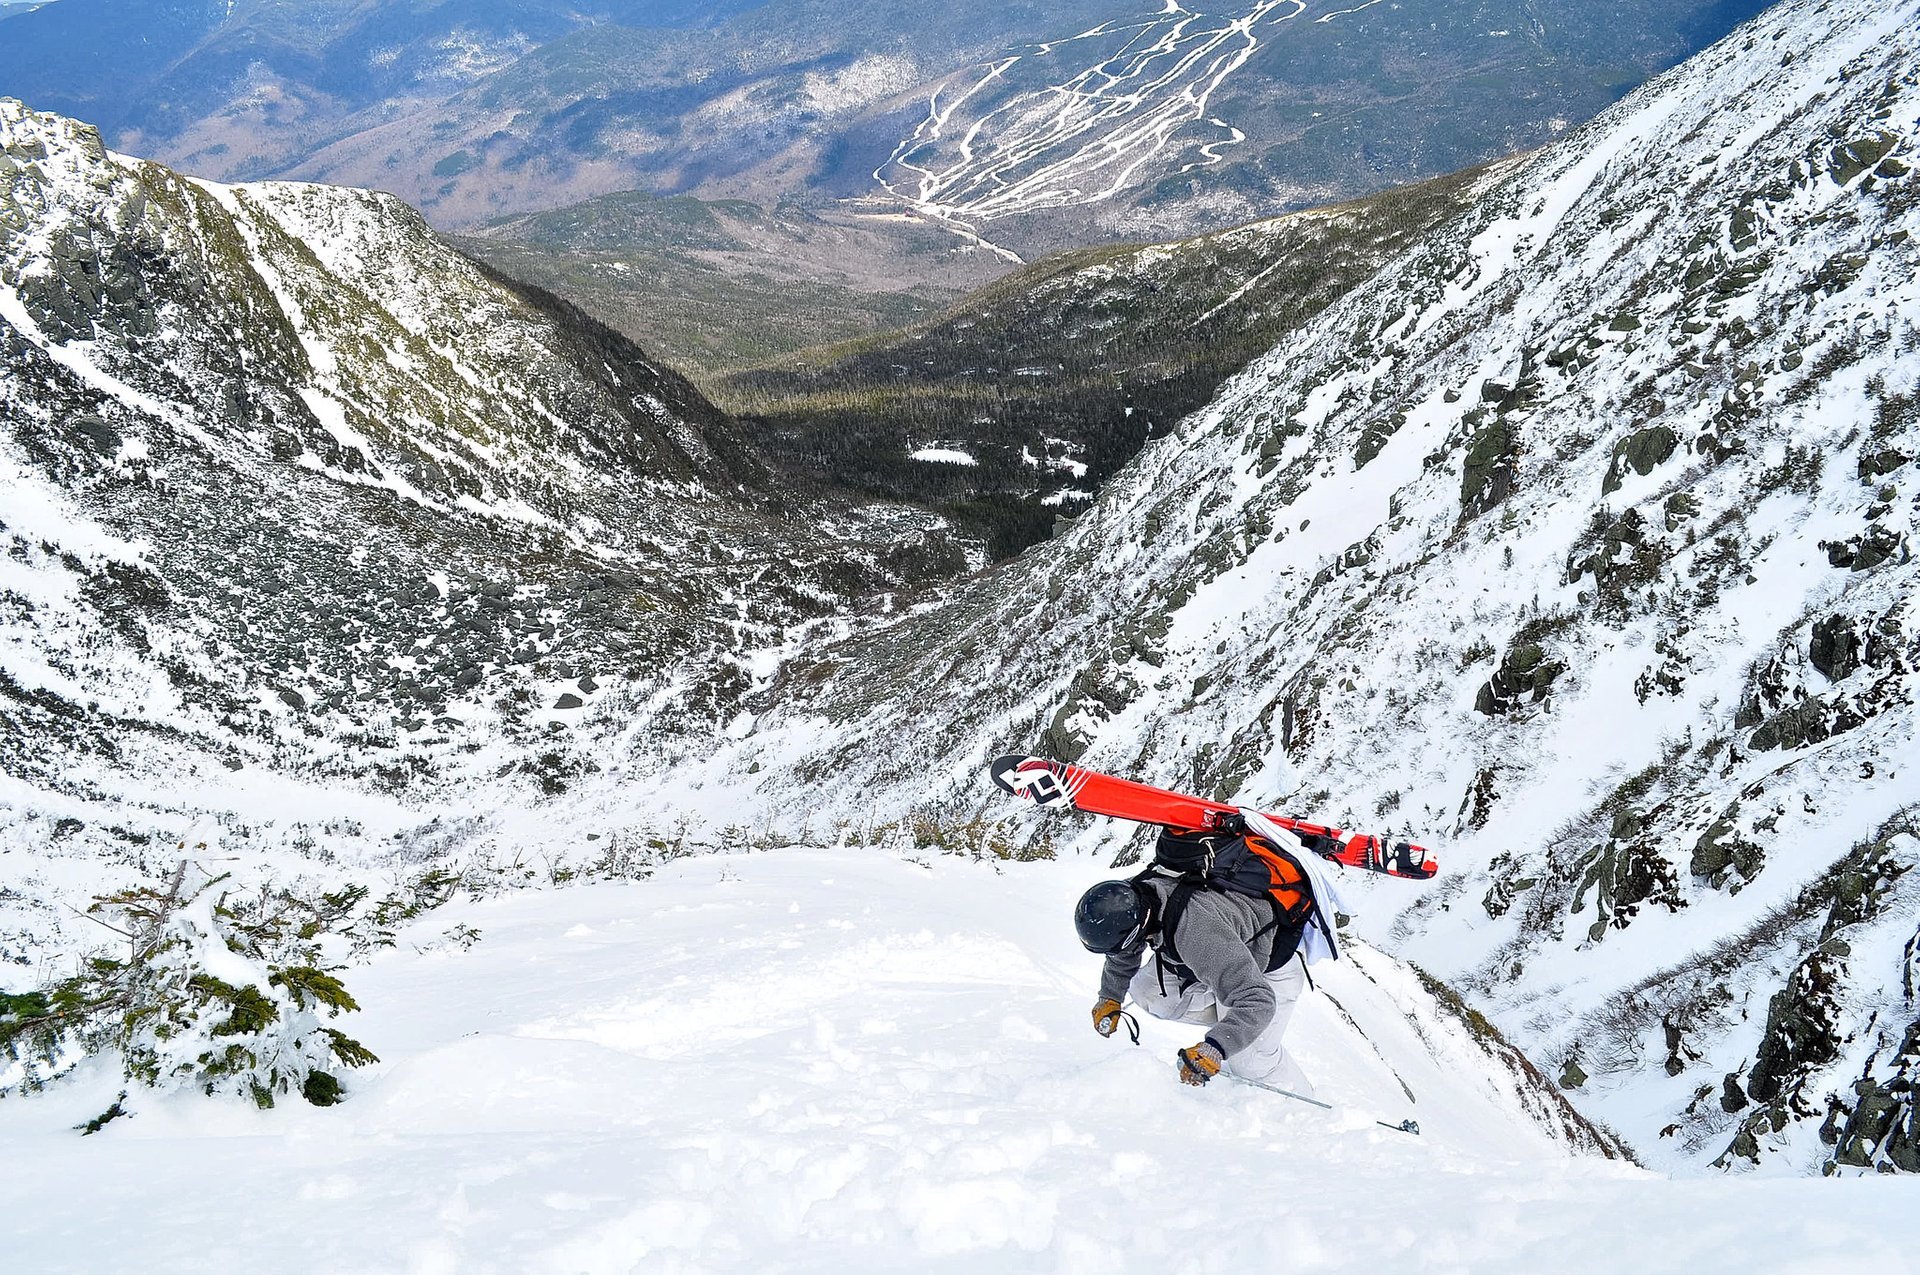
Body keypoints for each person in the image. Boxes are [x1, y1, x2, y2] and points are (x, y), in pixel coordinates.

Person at [1075, 816, 1342, 1091]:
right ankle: (1240, 1020)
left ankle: (1305, 1114)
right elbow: (1124, 948)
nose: (1123, 953)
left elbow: (1258, 1000)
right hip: (1224, 955)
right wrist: (1110, 995)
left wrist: (1217, 1046)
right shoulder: (1135, 894)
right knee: (1146, 991)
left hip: (1269, 972)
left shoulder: (1196, 932)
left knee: (1250, 1061)